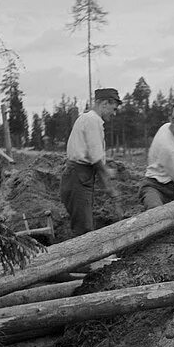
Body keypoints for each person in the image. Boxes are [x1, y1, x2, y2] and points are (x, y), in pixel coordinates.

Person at [59, 87, 122, 236]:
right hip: (78, 176)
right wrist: (108, 176)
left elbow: (95, 158)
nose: (114, 113)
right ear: (104, 103)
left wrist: (108, 186)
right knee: (84, 229)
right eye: (113, 108)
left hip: (80, 176)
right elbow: (97, 160)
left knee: (83, 225)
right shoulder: (92, 121)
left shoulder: (89, 119)